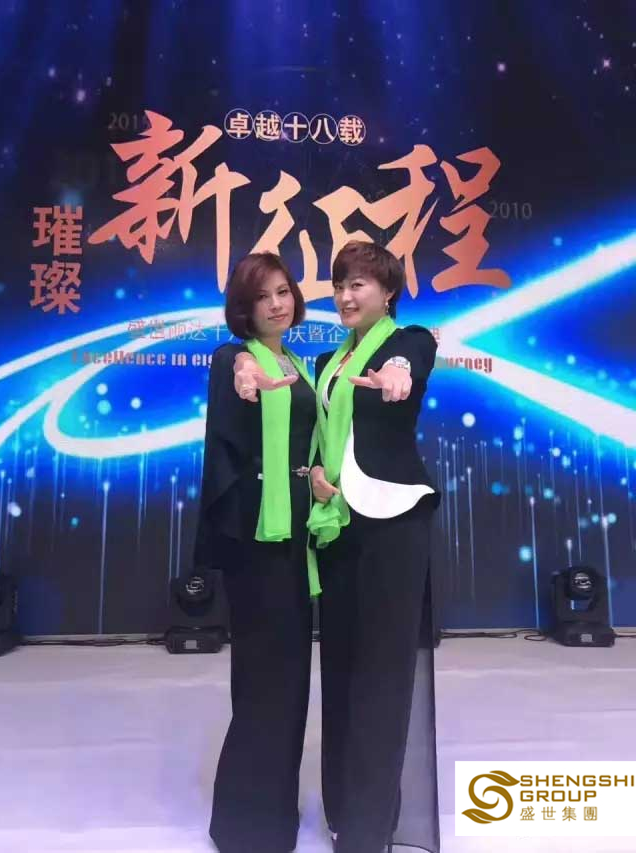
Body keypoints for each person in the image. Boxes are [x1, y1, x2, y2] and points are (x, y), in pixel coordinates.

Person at [308, 241, 442, 853]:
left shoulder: (406, 340)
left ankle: (370, 826)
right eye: (340, 285)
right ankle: (342, 807)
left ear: (387, 293)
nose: (345, 296)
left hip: (393, 523)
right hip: (337, 524)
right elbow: (321, 436)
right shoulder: (327, 361)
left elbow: (412, 361)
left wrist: (398, 373)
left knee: (383, 675)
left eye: (358, 284)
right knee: (339, 667)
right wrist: (315, 471)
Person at [194, 252, 316, 853]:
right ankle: (245, 825)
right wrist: (245, 370)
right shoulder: (235, 357)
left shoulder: (297, 362)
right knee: (264, 680)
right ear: (243, 308)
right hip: (259, 543)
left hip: (297, 541)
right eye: (263, 295)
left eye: (283, 291)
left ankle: (275, 813)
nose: (276, 304)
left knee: (290, 681)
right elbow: (236, 369)